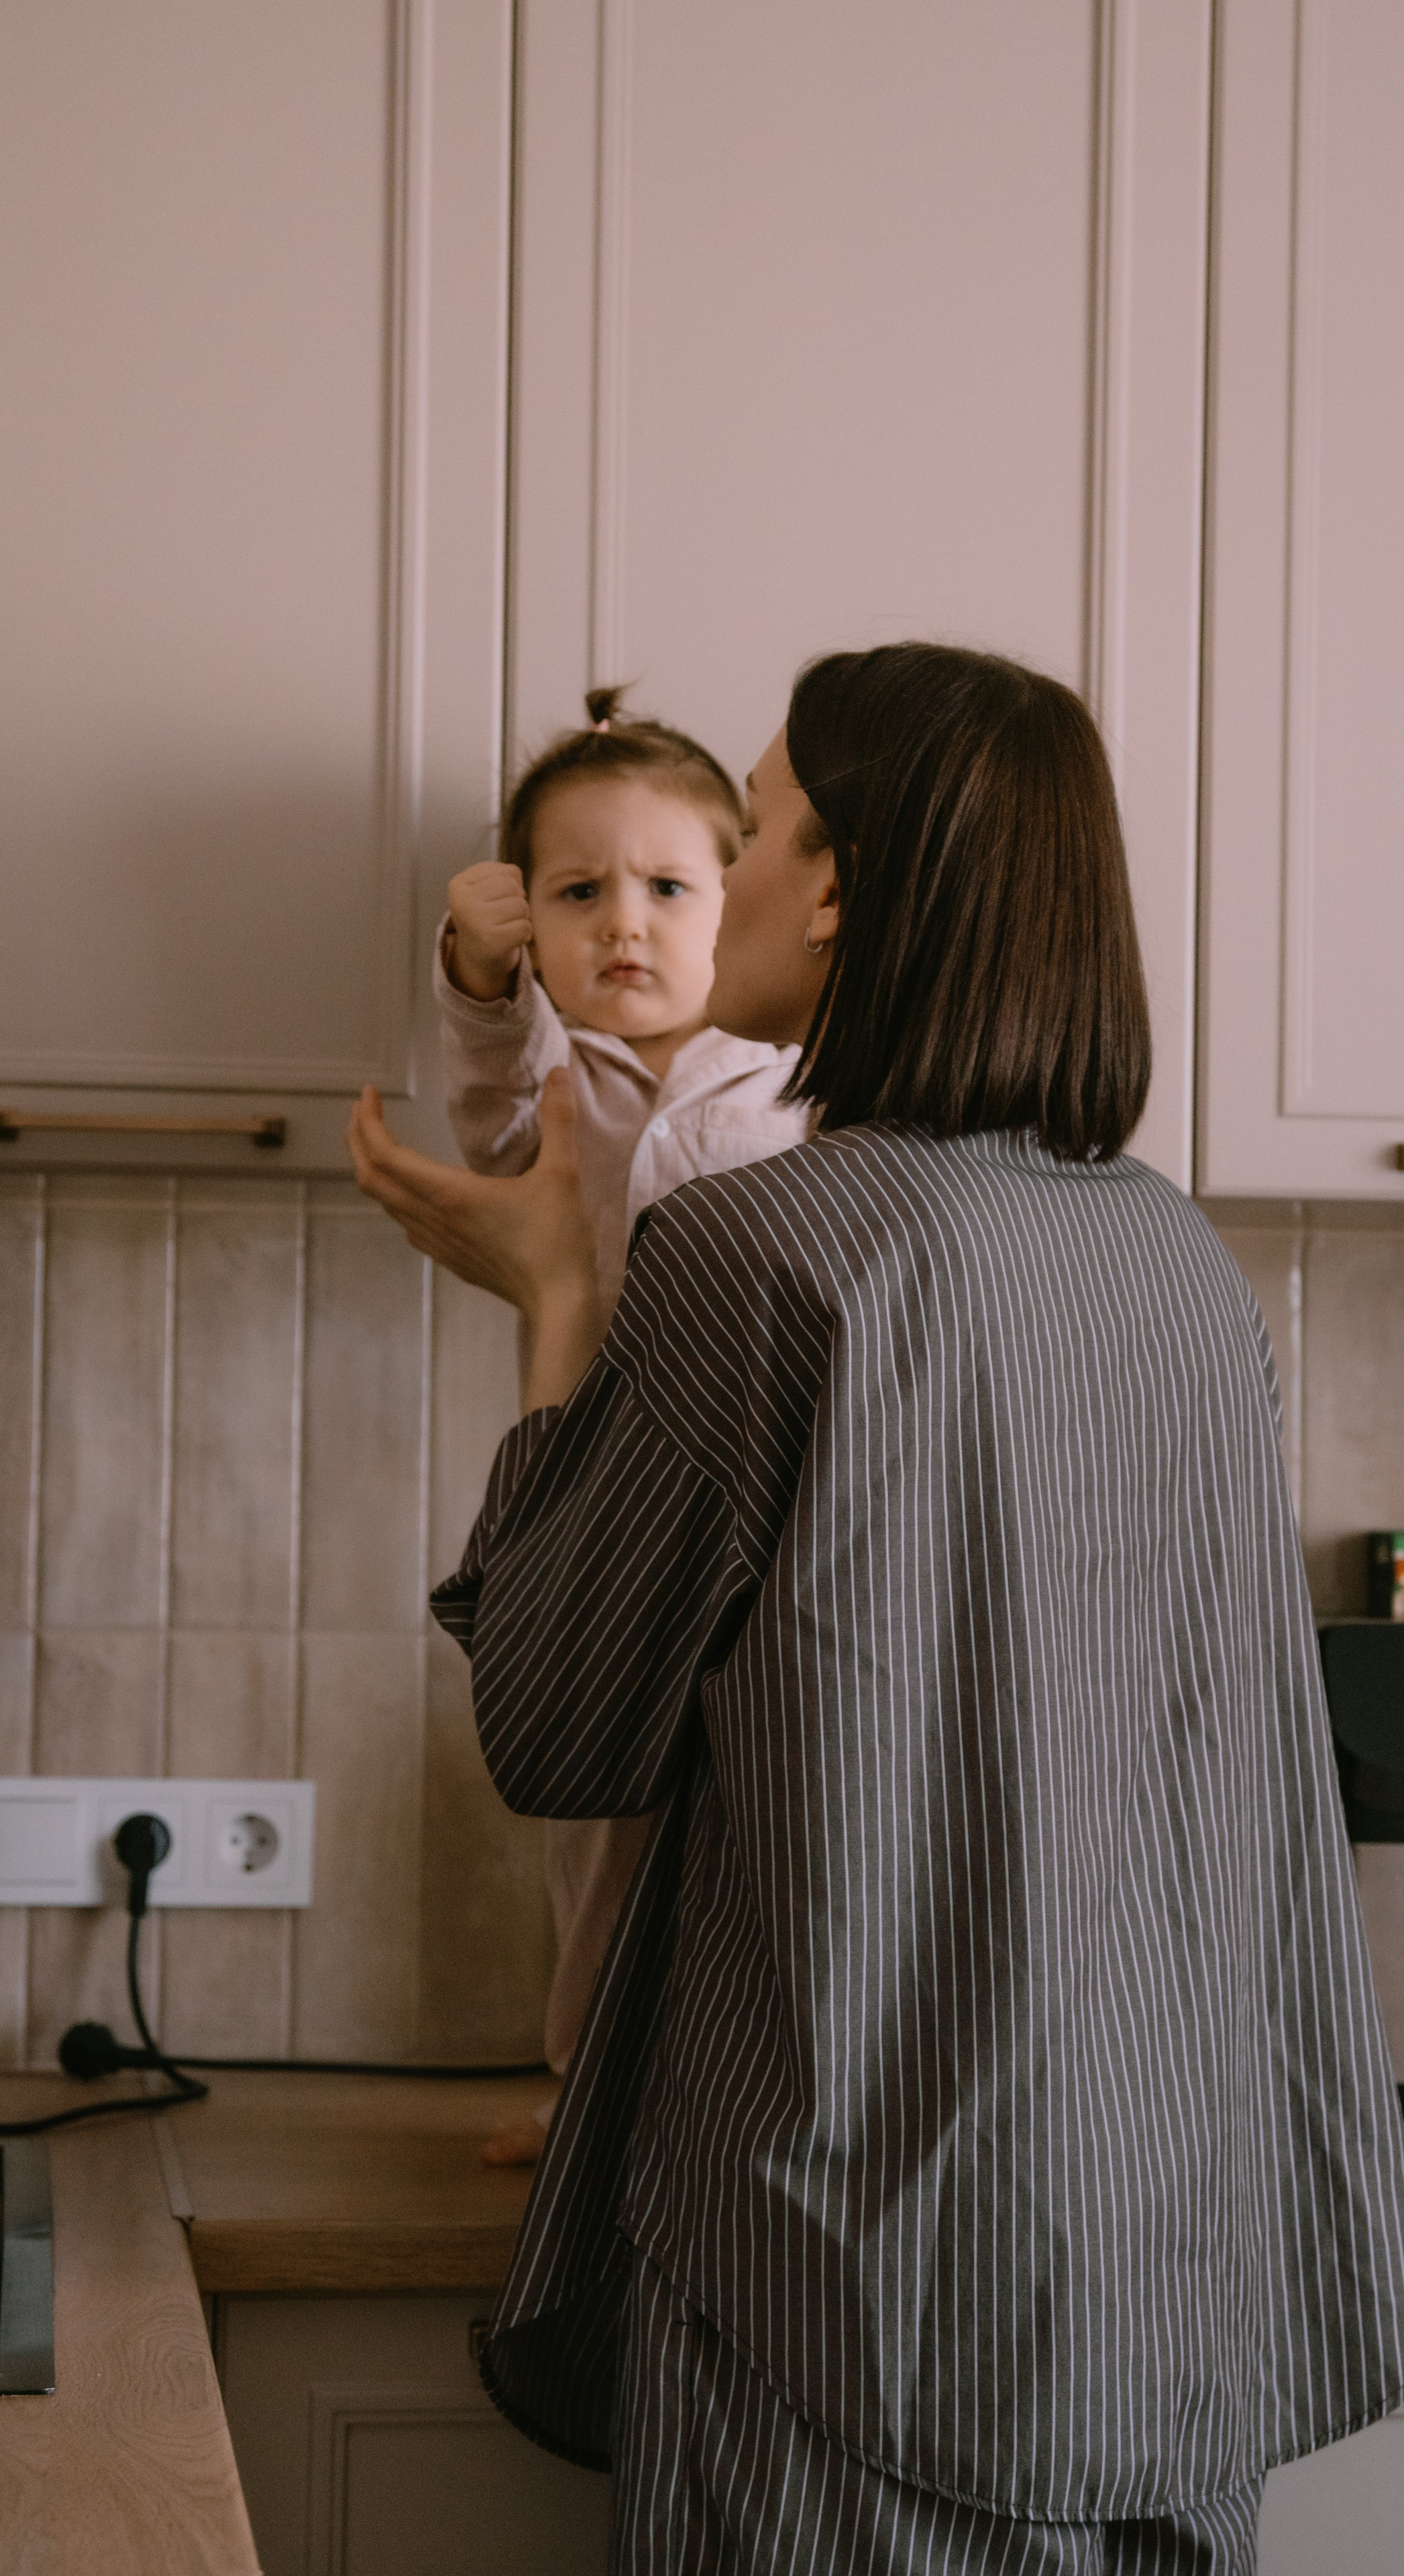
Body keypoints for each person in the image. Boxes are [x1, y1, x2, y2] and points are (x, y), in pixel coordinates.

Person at [350, 643, 1404, 2574]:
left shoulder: (758, 1249)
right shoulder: (1176, 1260)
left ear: (839, 890)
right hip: (1167, 2277)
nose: (729, 878)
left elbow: (556, 1721)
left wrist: (560, 1296)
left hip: (854, 2289)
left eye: (758, 831)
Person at [431, 687, 810, 2163]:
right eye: (577, 895)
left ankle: (727, 2096)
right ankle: (587, 2081)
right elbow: (487, 1129)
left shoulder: (795, 1078)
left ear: (744, 895)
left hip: (760, 1509)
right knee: (598, 1825)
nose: (624, 927)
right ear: (530, 922)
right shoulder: (557, 1078)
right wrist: (478, 981)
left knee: (750, 1816)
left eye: (667, 888)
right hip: (602, 1503)